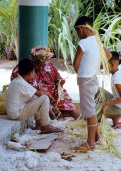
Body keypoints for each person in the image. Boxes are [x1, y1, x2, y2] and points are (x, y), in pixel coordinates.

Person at [73, 16, 112, 152]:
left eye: (77, 31)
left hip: (86, 80)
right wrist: (96, 65)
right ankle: (97, 137)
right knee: (90, 108)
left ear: (82, 28)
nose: (78, 35)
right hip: (93, 78)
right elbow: (109, 55)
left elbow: (75, 64)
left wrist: (82, 70)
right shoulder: (97, 41)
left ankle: (90, 142)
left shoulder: (83, 43)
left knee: (89, 112)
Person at [11, 46, 80, 120]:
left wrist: (60, 81)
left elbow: (59, 78)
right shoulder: (25, 67)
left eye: (43, 65)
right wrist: (42, 94)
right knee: (44, 104)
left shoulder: (50, 66)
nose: (40, 68)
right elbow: (17, 86)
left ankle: (80, 120)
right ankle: (47, 122)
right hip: (33, 97)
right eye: (37, 65)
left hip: (52, 95)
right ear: (32, 61)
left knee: (63, 97)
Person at [5, 58, 62, 134]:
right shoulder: (21, 83)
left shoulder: (17, 81)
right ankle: (45, 126)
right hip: (17, 114)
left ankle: (39, 124)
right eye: (33, 72)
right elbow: (40, 94)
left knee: (35, 98)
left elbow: (34, 93)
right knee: (44, 99)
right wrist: (49, 95)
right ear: (30, 73)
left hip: (14, 113)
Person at [96, 51, 121, 129]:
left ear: (112, 64)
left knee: (93, 113)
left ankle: (114, 114)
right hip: (116, 101)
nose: (103, 66)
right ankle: (115, 116)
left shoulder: (117, 78)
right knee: (98, 90)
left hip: (119, 106)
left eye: (105, 64)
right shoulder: (118, 70)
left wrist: (106, 104)